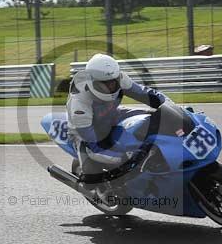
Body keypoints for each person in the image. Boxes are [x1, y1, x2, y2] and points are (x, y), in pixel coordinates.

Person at [66, 53, 170, 188]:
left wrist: (169, 105)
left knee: (154, 117)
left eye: (112, 83)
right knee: (93, 177)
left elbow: (145, 94)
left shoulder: (120, 78)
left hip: (112, 115)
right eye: (104, 84)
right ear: (92, 82)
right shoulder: (79, 101)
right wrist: (126, 157)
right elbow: (91, 139)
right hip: (85, 132)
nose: (110, 87)